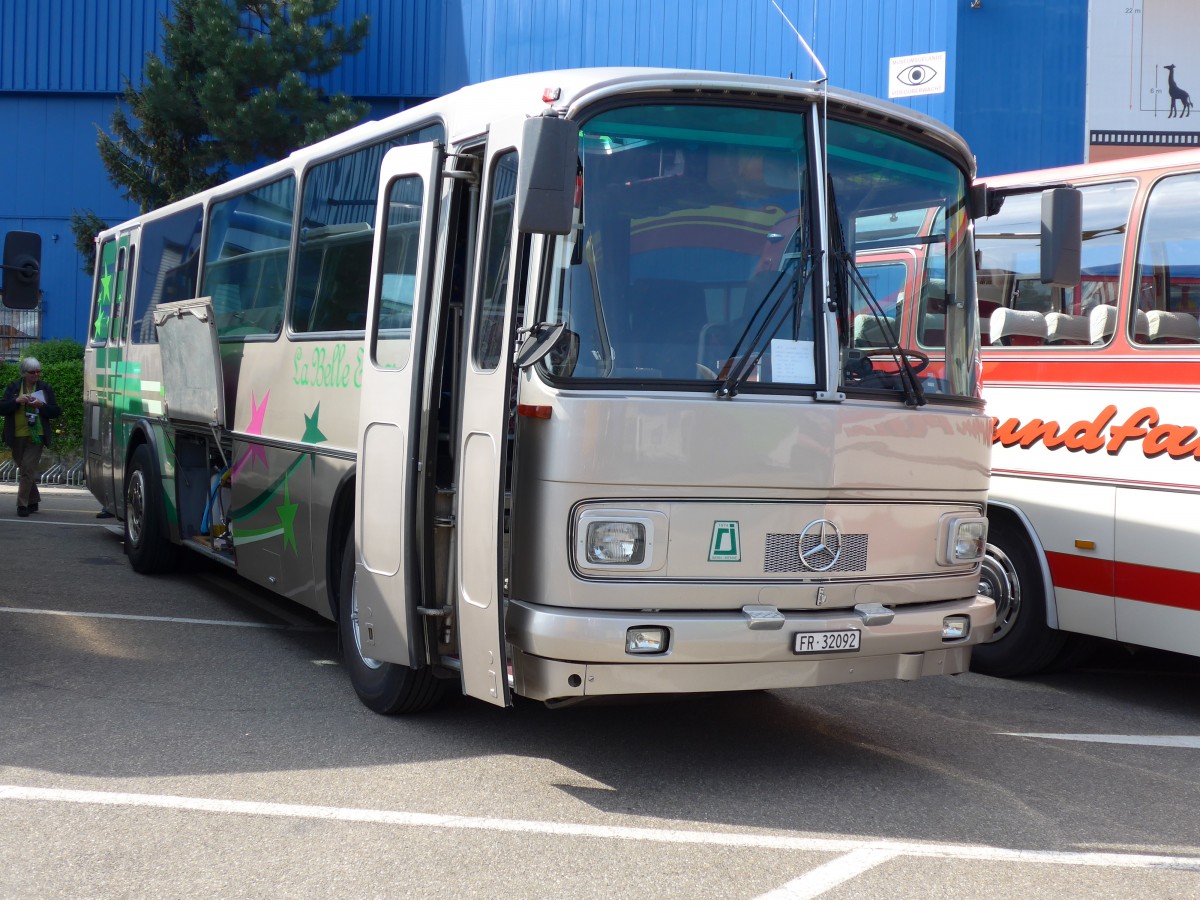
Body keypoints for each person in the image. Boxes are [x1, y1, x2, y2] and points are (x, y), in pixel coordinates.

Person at [0, 357, 61, 517]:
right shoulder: (14, 387)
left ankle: (22, 505)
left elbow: (55, 411)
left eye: (38, 371)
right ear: (24, 373)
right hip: (17, 434)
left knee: (27, 468)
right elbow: (2, 408)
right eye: (32, 372)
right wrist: (16, 401)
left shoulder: (45, 387)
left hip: (37, 435)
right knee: (25, 469)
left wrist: (41, 406)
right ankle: (33, 499)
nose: (36, 375)